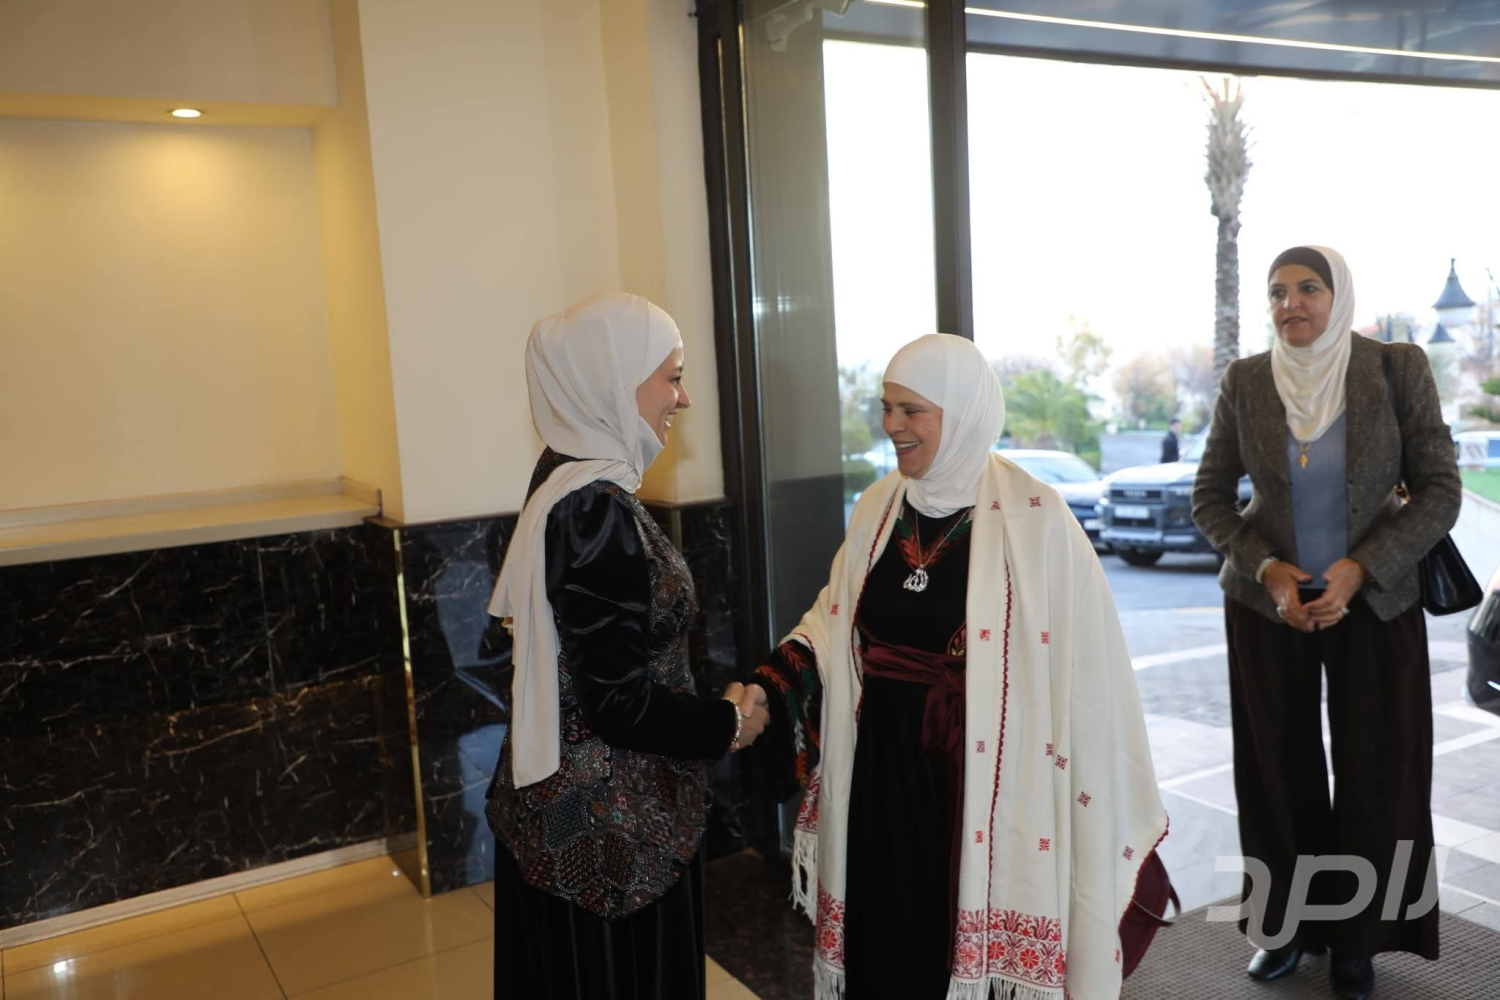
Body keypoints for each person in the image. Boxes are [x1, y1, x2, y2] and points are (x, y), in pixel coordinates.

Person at [749, 334, 1168, 1000]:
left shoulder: (1037, 518)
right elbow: (833, 619)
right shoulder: (878, 508)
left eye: (912, 410)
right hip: (881, 768)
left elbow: (1090, 670)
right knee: (887, 940)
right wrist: (772, 685)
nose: (893, 425)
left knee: (948, 936)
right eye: (886, 407)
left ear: (964, 411)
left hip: (977, 777)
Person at [1192, 246, 1461, 1000]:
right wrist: (1268, 571)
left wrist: (1362, 567)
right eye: (1278, 292)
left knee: (1380, 770)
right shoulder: (1246, 380)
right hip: (1267, 608)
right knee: (1275, 770)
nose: (1292, 304)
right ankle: (1286, 929)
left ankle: (1358, 941)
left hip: (1375, 602)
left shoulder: (1395, 368)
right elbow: (1209, 497)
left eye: (1309, 288)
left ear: (1337, 296)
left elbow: (1440, 488)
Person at [484, 292, 770, 1000]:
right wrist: (727, 724)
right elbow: (617, 704)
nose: (684, 398)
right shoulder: (594, 507)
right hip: (610, 843)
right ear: (614, 381)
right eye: (672, 377)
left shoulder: (568, 477)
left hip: (579, 821)